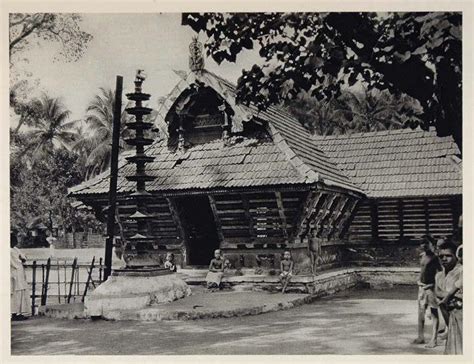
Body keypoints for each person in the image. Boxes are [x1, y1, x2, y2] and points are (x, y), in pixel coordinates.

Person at [413, 237, 442, 347]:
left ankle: (434, 339)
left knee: (434, 313)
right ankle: (421, 337)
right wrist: (418, 280)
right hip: (421, 288)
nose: (424, 245)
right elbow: (422, 270)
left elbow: (440, 273)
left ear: (431, 244)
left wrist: (433, 284)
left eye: (426, 243)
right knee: (421, 312)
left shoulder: (435, 258)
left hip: (431, 288)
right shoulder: (422, 256)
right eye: (422, 243)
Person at [435, 241, 463, 354]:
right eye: (441, 256)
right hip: (450, 320)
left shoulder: (463, 271)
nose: (444, 259)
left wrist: (445, 295)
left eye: (448, 256)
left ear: (456, 256)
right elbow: (437, 293)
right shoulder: (439, 276)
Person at [11, 233, 29, 321]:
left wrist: (22, 259)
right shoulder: (8, 250)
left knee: (21, 293)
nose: (16, 242)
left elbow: (23, 256)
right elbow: (16, 262)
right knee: (15, 294)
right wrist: (21, 260)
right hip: (14, 275)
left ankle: (20, 312)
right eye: (13, 240)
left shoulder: (15, 249)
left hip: (20, 274)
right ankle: (14, 313)